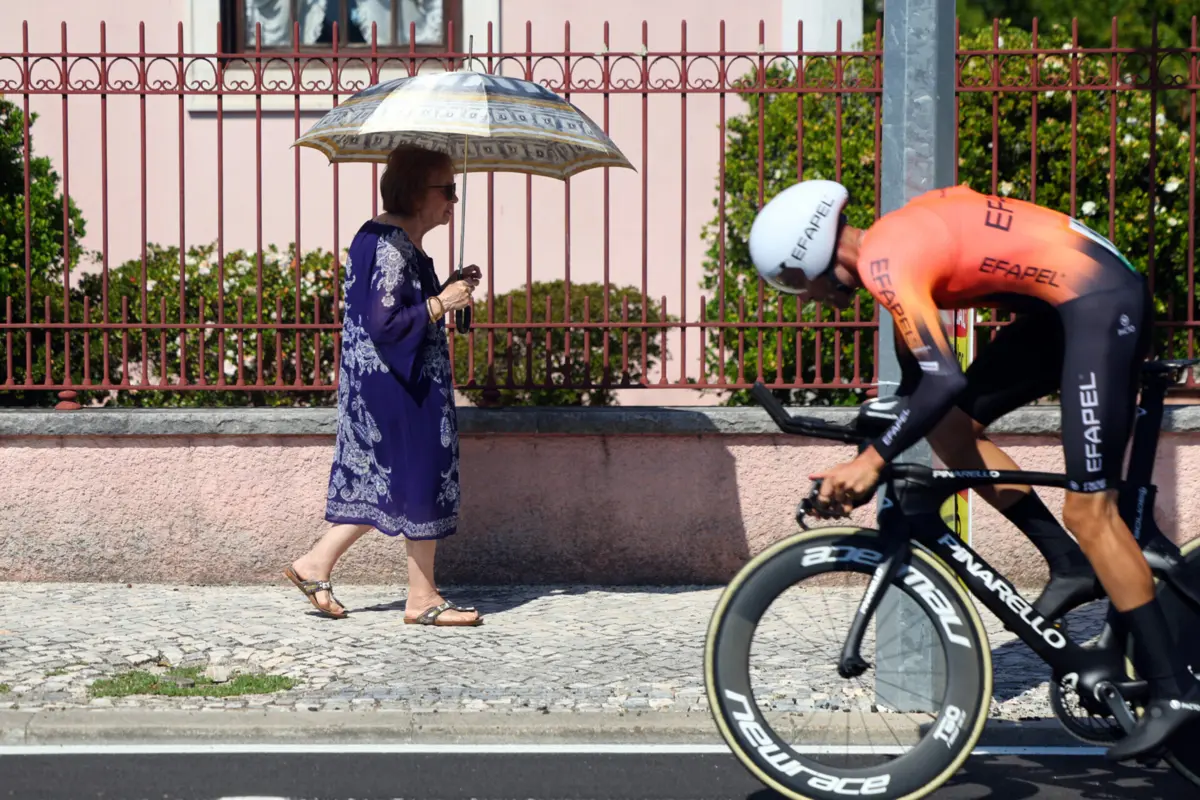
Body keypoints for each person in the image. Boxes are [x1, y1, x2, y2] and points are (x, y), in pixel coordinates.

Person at [746, 179, 1200, 761]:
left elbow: (945, 380)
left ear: (811, 253)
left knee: (1090, 510)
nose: (804, 298)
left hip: (1097, 300)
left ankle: (1174, 693)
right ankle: (1067, 564)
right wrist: (871, 446)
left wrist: (872, 461)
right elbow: (923, 396)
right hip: (1061, 309)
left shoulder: (888, 259)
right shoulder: (892, 246)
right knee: (951, 428)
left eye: (794, 283)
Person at [284, 144, 483, 627]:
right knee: (420, 477)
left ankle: (316, 565)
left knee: (390, 481)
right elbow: (386, 324)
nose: (453, 201)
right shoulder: (392, 244)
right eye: (447, 190)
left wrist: (447, 290)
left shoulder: (386, 238)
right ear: (417, 192)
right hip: (400, 387)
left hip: (384, 384)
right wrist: (441, 302)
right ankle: (423, 598)